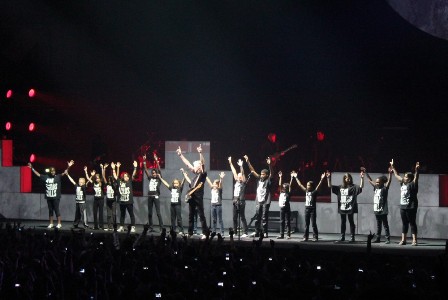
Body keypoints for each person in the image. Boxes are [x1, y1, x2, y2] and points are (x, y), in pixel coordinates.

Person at [28, 160, 74, 228]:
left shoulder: (57, 176)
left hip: (56, 196)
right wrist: (32, 168)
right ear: (50, 171)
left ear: (55, 171)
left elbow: (65, 172)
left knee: (56, 209)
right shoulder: (46, 177)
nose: (53, 172)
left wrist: (68, 166)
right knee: (50, 210)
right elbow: (38, 174)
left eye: (54, 171)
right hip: (49, 196)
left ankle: (59, 223)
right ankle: (51, 223)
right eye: (52, 171)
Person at [177, 144, 208, 239]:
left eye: (195, 166)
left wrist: (200, 153)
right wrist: (181, 155)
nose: (193, 167)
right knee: (191, 215)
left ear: (199, 167)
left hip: (198, 197)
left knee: (201, 215)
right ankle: (190, 233)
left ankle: (205, 233)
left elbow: (203, 162)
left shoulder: (203, 174)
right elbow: (187, 164)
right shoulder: (194, 177)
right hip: (191, 197)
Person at [328, 169, 364, 242]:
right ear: (344, 179)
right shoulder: (340, 187)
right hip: (342, 207)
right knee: (343, 222)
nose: (348, 179)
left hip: (350, 207)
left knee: (351, 221)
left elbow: (361, 186)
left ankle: (352, 237)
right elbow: (330, 186)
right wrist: (328, 178)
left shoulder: (353, 187)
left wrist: (362, 178)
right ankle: (342, 236)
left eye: (349, 177)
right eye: (347, 178)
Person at [391, 160, 420, 246]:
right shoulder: (403, 183)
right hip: (403, 206)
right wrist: (393, 166)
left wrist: (417, 170)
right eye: (404, 176)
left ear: (410, 178)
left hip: (411, 206)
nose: (404, 177)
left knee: (412, 223)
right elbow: (396, 175)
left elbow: (416, 177)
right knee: (404, 223)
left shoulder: (412, 184)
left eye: (406, 177)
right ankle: (403, 240)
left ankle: (414, 240)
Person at [292, 171, 326, 242]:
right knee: (306, 224)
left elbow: (318, 186)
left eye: (309, 185)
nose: (308, 186)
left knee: (313, 224)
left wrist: (322, 179)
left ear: (312, 186)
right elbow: (300, 185)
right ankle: (305, 237)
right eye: (307, 185)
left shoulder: (314, 192)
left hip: (312, 209)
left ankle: (315, 237)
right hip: (307, 209)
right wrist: (296, 177)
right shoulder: (306, 191)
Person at [245, 154, 273, 238]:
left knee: (264, 218)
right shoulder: (259, 179)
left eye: (263, 174)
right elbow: (252, 171)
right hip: (258, 200)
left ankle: (265, 232)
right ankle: (257, 232)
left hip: (265, 200)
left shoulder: (268, 180)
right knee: (257, 217)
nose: (261, 175)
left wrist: (269, 165)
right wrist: (248, 161)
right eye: (261, 174)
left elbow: (272, 173)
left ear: (266, 175)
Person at [363, 166, 392, 244]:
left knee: (385, 225)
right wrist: (366, 172)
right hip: (376, 209)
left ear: (382, 182)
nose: (377, 183)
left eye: (378, 182)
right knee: (378, 225)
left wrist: (390, 173)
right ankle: (378, 238)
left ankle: (387, 239)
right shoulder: (376, 187)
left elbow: (389, 181)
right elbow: (370, 180)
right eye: (376, 182)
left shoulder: (384, 189)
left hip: (383, 210)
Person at [111, 161, 138, 233]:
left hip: (129, 201)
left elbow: (133, 175)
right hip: (122, 201)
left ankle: (133, 227)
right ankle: (121, 226)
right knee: (122, 215)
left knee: (131, 214)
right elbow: (115, 176)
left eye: (127, 176)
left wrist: (135, 167)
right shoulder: (120, 181)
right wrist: (114, 169)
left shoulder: (130, 181)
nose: (125, 177)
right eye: (124, 176)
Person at [158, 169, 186, 235]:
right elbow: (166, 184)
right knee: (172, 218)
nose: (175, 184)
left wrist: (184, 174)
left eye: (177, 183)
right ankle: (173, 229)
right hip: (172, 205)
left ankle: (181, 230)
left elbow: (183, 181)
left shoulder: (180, 189)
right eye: (174, 183)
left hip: (178, 205)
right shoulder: (171, 188)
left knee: (179, 218)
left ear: (178, 184)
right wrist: (160, 178)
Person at [228, 157, 249, 238]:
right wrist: (230, 162)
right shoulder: (236, 181)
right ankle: (235, 232)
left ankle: (245, 232)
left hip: (241, 201)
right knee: (234, 217)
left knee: (242, 217)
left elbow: (243, 174)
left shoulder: (243, 182)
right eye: (238, 176)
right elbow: (234, 172)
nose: (239, 177)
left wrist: (241, 166)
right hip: (235, 200)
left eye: (240, 176)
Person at [143, 153, 164, 232]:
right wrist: (144, 160)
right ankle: (151, 227)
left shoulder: (159, 179)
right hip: (150, 197)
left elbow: (159, 169)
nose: (154, 174)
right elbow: (145, 170)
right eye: (153, 173)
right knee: (150, 213)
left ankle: (161, 228)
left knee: (158, 213)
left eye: (155, 173)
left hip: (156, 197)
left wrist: (156, 160)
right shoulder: (150, 178)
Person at [84, 165, 106, 230]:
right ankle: (96, 226)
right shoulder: (94, 183)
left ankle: (101, 226)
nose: (97, 179)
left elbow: (103, 175)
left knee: (101, 213)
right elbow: (88, 178)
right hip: (95, 199)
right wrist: (86, 171)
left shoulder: (101, 183)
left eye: (98, 178)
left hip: (101, 199)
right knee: (95, 213)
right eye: (96, 178)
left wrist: (102, 168)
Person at [206, 172, 226, 236]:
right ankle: (214, 231)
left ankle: (222, 231)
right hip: (213, 205)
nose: (214, 185)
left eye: (215, 184)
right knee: (214, 219)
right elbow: (209, 181)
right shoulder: (212, 189)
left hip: (218, 205)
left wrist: (221, 178)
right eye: (213, 184)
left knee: (220, 219)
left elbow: (220, 184)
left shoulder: (219, 190)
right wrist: (204, 175)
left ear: (217, 185)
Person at [276, 171, 293, 239]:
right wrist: (280, 177)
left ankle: (288, 234)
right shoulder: (281, 192)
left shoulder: (288, 193)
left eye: (285, 188)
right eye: (283, 188)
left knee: (287, 221)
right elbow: (280, 185)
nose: (284, 188)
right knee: (282, 221)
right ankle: (281, 234)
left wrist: (291, 178)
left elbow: (290, 186)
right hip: (282, 208)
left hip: (287, 207)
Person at [103, 163, 117, 231]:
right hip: (108, 200)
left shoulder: (114, 185)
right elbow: (103, 176)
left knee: (114, 214)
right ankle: (109, 226)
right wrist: (104, 168)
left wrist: (115, 168)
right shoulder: (107, 184)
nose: (109, 181)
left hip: (113, 200)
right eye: (109, 180)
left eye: (110, 180)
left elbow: (116, 176)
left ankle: (114, 226)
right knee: (109, 214)